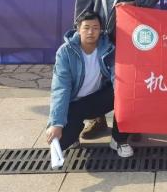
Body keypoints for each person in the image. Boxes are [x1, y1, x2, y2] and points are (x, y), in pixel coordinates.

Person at [74, 0, 159, 139]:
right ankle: (97, 119)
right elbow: (83, 0)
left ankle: (131, 122)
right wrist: (81, 29)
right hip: (98, 31)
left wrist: (133, 3)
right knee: (96, 76)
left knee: (131, 77)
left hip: (129, 32)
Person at [46, 12, 133, 157]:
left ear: (101, 30)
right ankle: (74, 134)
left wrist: (125, 103)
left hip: (97, 99)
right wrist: (56, 124)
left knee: (125, 91)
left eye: (95, 28)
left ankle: (118, 140)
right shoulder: (65, 52)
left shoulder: (108, 48)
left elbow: (117, 77)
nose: (91, 32)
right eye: (86, 28)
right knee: (60, 142)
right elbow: (60, 89)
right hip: (74, 105)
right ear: (78, 29)